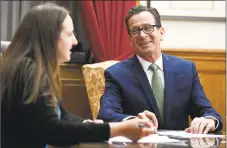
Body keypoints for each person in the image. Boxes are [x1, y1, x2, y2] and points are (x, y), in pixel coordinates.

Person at [0, 3, 157, 148]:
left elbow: (64, 117)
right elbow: (53, 131)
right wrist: (119, 129)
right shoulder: (27, 72)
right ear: (50, 37)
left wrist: (91, 124)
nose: (75, 42)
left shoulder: (34, 68)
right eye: (69, 35)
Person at [97, 5, 223, 134]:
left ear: (161, 33)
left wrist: (209, 120)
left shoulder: (186, 69)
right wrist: (135, 123)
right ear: (130, 40)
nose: (142, 35)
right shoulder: (116, 74)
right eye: (135, 31)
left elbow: (207, 111)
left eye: (147, 28)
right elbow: (106, 114)